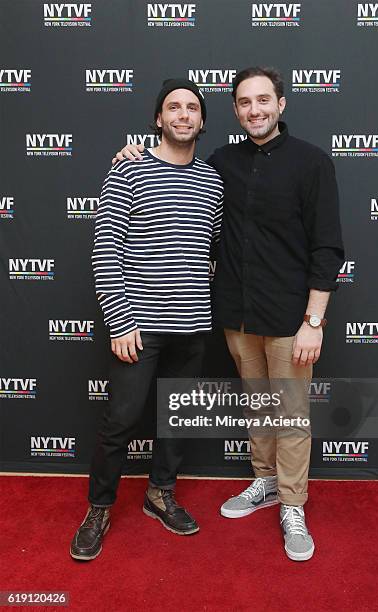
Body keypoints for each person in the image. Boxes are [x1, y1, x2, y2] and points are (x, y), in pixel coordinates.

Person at [112, 66, 345, 562]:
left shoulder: (313, 163)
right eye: (244, 102)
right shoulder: (220, 163)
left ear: (281, 105)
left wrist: (314, 320)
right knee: (259, 406)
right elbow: (170, 167)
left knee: (291, 414)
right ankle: (263, 482)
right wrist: (131, 152)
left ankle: (294, 503)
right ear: (235, 110)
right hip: (237, 318)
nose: (255, 109)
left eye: (264, 100)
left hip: (290, 320)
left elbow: (328, 249)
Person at [70, 79, 223, 561]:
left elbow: (212, 245)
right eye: (173, 107)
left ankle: (161, 493)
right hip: (139, 325)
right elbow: (105, 249)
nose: (183, 114)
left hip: (192, 325)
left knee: (176, 418)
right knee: (120, 421)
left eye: (192, 108)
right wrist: (119, 321)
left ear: (202, 120)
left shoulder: (213, 181)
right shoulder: (128, 171)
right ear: (158, 118)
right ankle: (99, 507)